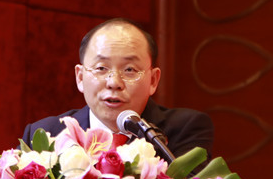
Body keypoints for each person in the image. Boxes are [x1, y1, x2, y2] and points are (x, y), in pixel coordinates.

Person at [21, 18, 214, 159]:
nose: (114, 82)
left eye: (129, 70)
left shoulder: (184, 130)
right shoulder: (45, 134)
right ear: (80, 77)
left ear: (153, 80)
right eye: (101, 68)